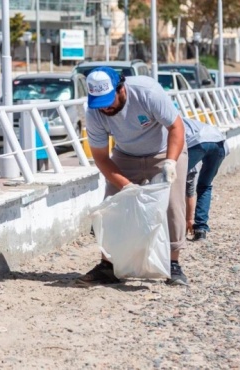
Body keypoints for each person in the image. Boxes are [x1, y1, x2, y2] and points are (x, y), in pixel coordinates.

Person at [78, 66, 189, 286]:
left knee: (173, 204)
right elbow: (101, 157)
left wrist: (170, 162)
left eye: (108, 101)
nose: (105, 108)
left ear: (121, 89)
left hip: (164, 150)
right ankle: (107, 265)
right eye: (100, 104)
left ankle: (173, 263)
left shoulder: (147, 92)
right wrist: (126, 186)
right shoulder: (94, 112)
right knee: (112, 205)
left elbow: (176, 127)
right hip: (125, 154)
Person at [183, 117, 228, 241]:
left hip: (199, 142)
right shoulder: (184, 120)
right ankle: (200, 230)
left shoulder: (165, 124)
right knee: (205, 185)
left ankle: (172, 230)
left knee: (172, 183)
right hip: (220, 142)